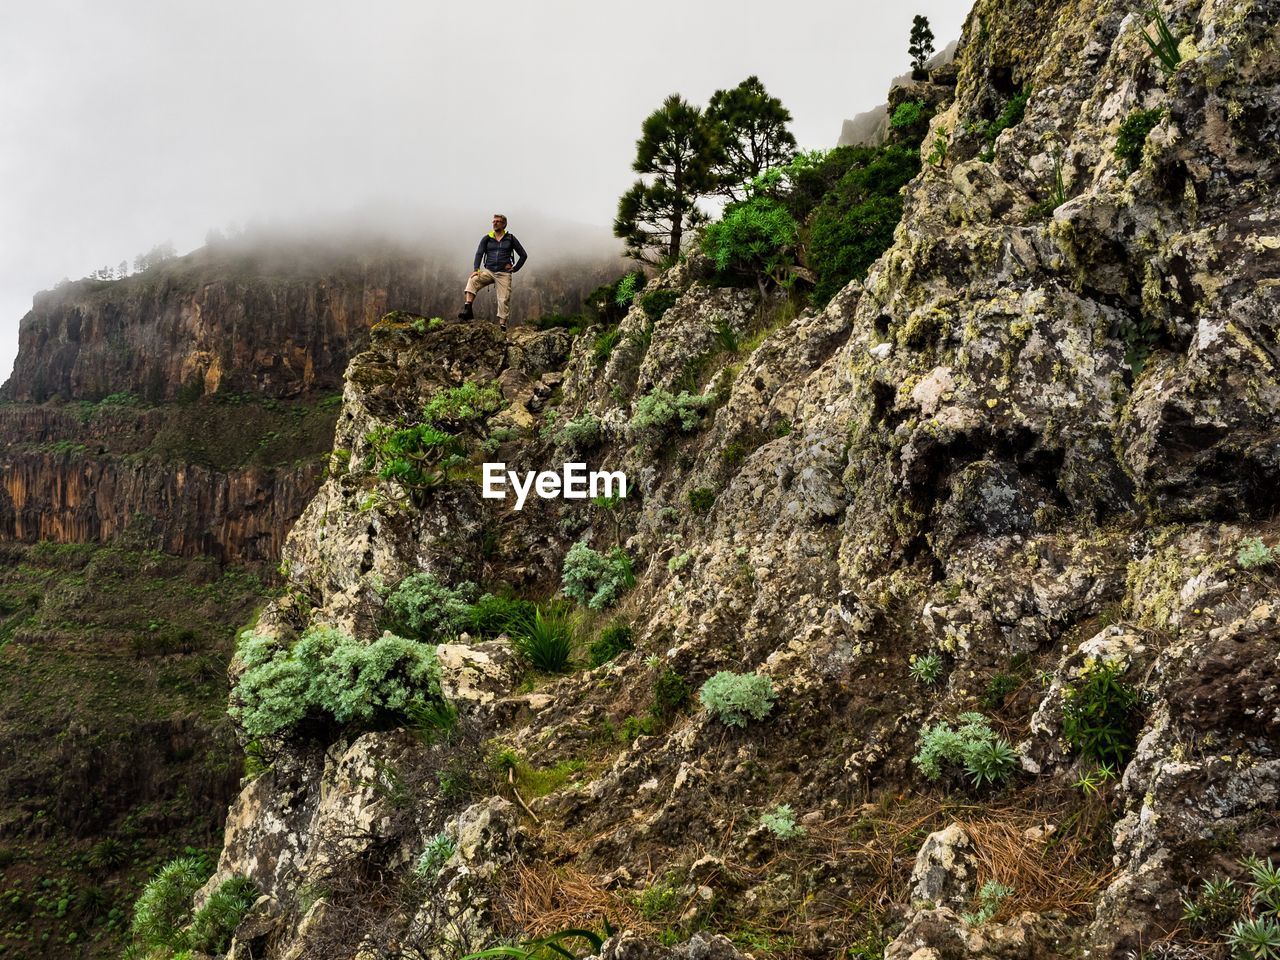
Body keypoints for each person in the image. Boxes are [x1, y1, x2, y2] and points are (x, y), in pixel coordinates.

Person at [458, 214, 527, 330]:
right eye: (494, 221)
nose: (495, 223)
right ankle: (467, 310)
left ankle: (502, 326)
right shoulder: (487, 238)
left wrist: (515, 268)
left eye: (498, 221)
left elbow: (523, 255)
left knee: (503, 298)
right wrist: (476, 270)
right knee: (472, 280)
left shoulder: (510, 238)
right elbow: (479, 253)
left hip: (503, 274)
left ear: (504, 224)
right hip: (489, 271)